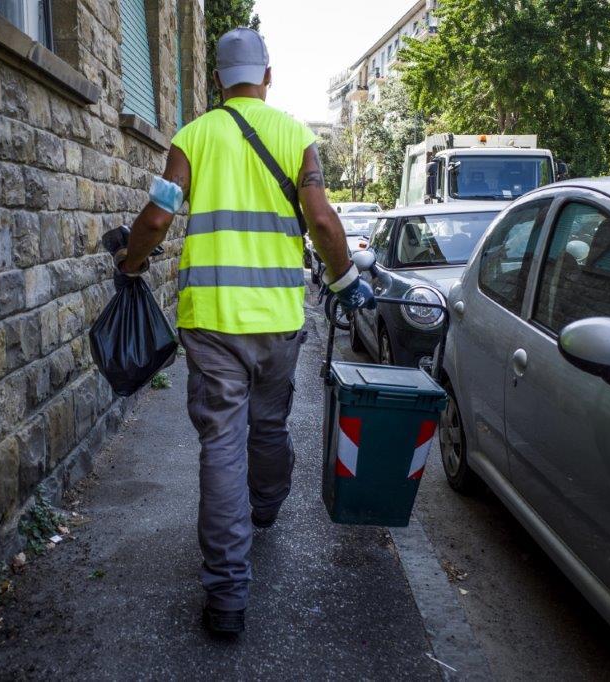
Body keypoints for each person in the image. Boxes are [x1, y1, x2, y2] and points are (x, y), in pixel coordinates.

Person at [115, 27, 375, 635]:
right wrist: (342, 283)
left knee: (221, 447)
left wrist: (129, 264)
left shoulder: (192, 136)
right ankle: (266, 504)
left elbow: (156, 217)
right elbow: (323, 221)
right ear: (267, 75)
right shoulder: (296, 137)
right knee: (268, 427)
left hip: (210, 324)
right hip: (280, 321)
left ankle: (228, 594)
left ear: (216, 81)